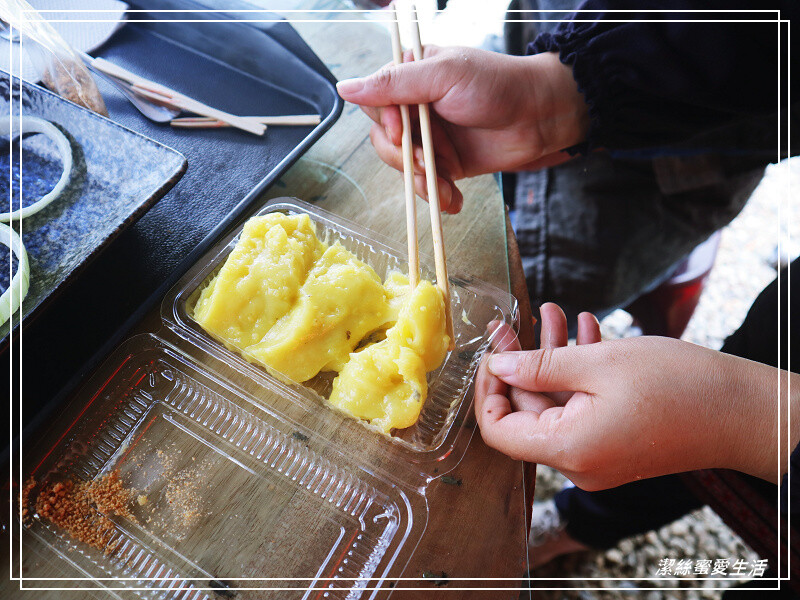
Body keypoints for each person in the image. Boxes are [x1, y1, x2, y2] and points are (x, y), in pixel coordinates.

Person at [336, 0, 799, 594]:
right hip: (619, 58)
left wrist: (749, 416)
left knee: (713, 444)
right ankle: (589, 517)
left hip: (678, 157)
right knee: (752, 359)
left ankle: (581, 526)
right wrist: (560, 93)